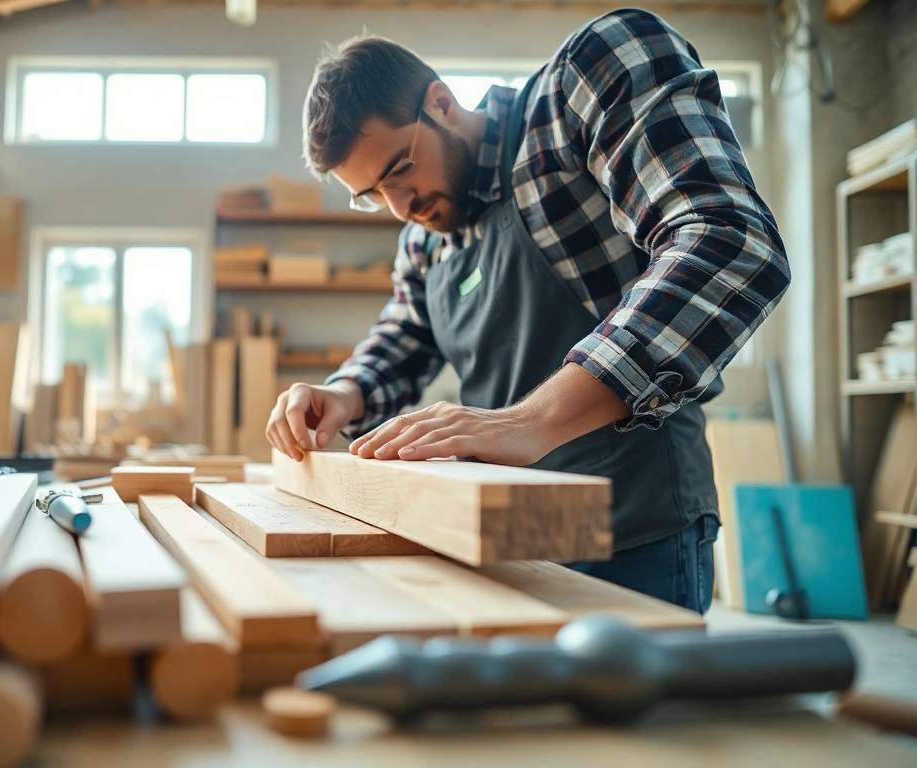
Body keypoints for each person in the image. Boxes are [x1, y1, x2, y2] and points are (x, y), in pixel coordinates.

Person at [265, 8, 790, 613]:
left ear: (440, 102)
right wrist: (346, 393)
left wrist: (530, 420)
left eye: (399, 169)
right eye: (372, 195)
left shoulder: (580, 87)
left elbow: (730, 242)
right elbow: (405, 334)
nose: (400, 205)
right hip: (500, 531)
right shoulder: (426, 236)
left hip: (634, 527)